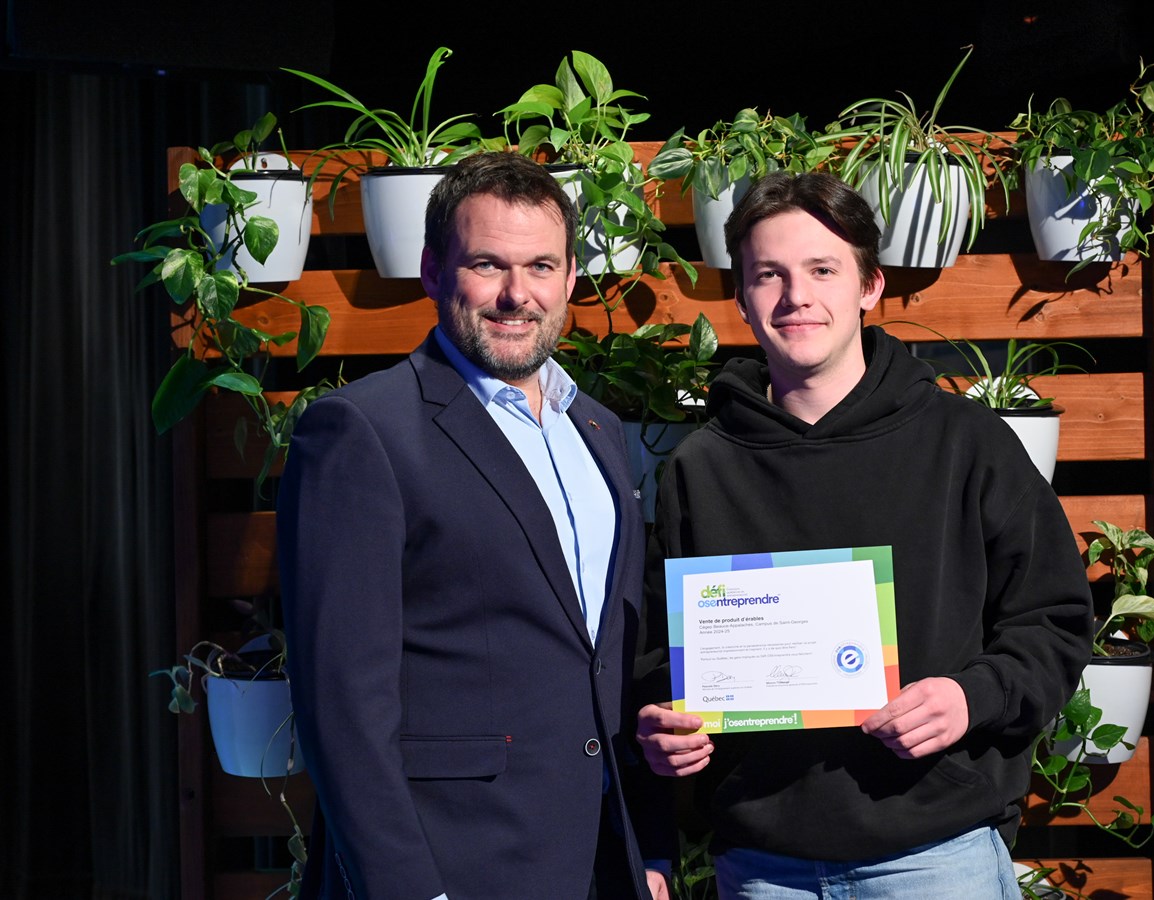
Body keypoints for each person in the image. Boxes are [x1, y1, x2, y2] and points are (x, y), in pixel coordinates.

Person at [634, 171, 1093, 899]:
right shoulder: (702, 467)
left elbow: (1055, 619)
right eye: (769, 274)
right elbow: (661, 653)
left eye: (823, 269)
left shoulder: (965, 442)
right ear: (742, 297)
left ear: (869, 286)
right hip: (763, 869)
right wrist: (666, 721)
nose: (796, 296)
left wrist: (971, 698)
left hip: (937, 858)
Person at [278, 151, 669, 900]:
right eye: (488, 264)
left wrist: (645, 848)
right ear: (432, 270)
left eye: (541, 266)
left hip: (596, 863)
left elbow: (608, 659)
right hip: (455, 867)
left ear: (570, 278)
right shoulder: (362, 431)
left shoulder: (596, 429)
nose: (517, 294)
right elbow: (341, 706)